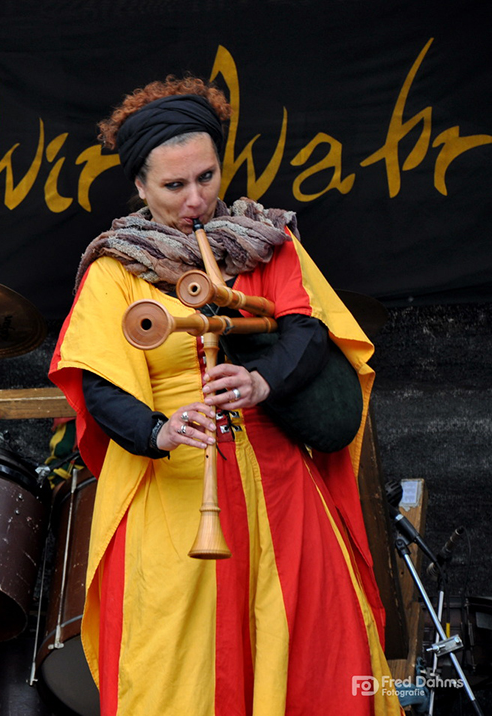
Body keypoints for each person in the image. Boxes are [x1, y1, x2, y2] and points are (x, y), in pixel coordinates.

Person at [49, 76, 401, 715]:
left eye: (206, 178)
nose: (195, 200)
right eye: (174, 186)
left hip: (280, 478)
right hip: (174, 481)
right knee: (178, 669)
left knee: (312, 643)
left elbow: (306, 329)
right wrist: (158, 428)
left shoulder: (265, 240)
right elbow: (98, 380)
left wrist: (262, 382)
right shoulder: (114, 268)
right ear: (139, 186)